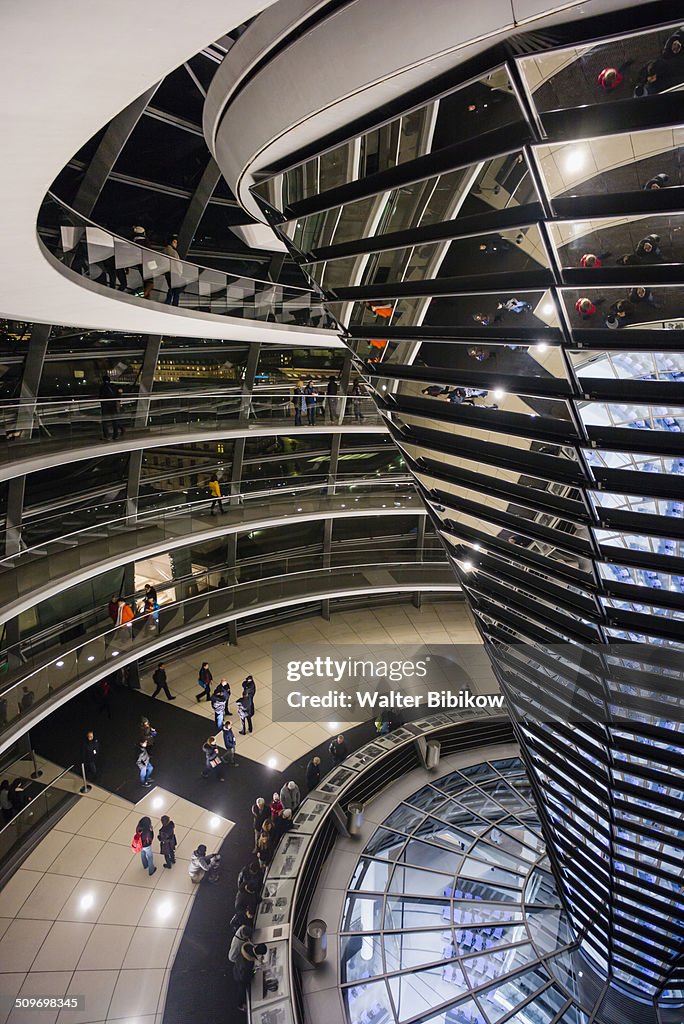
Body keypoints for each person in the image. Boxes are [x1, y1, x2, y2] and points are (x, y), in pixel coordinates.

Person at [234, 941, 268, 1012]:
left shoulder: (248, 947)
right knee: (241, 990)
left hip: (237, 967)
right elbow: (246, 976)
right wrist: (254, 972)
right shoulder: (249, 964)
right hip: (240, 977)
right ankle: (240, 1004)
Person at [99, 374, 124, 440]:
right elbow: (118, 395)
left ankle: (106, 435)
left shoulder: (102, 387)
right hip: (113, 405)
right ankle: (116, 435)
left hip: (105, 406)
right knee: (114, 420)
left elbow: (100, 396)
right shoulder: (114, 386)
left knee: (105, 421)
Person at [164, 235, 183, 306]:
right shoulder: (173, 252)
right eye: (175, 242)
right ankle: (174, 304)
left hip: (168, 272)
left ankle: (168, 302)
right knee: (176, 290)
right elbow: (177, 263)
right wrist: (180, 272)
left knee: (173, 288)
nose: (176, 244)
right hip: (174, 272)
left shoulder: (165, 250)